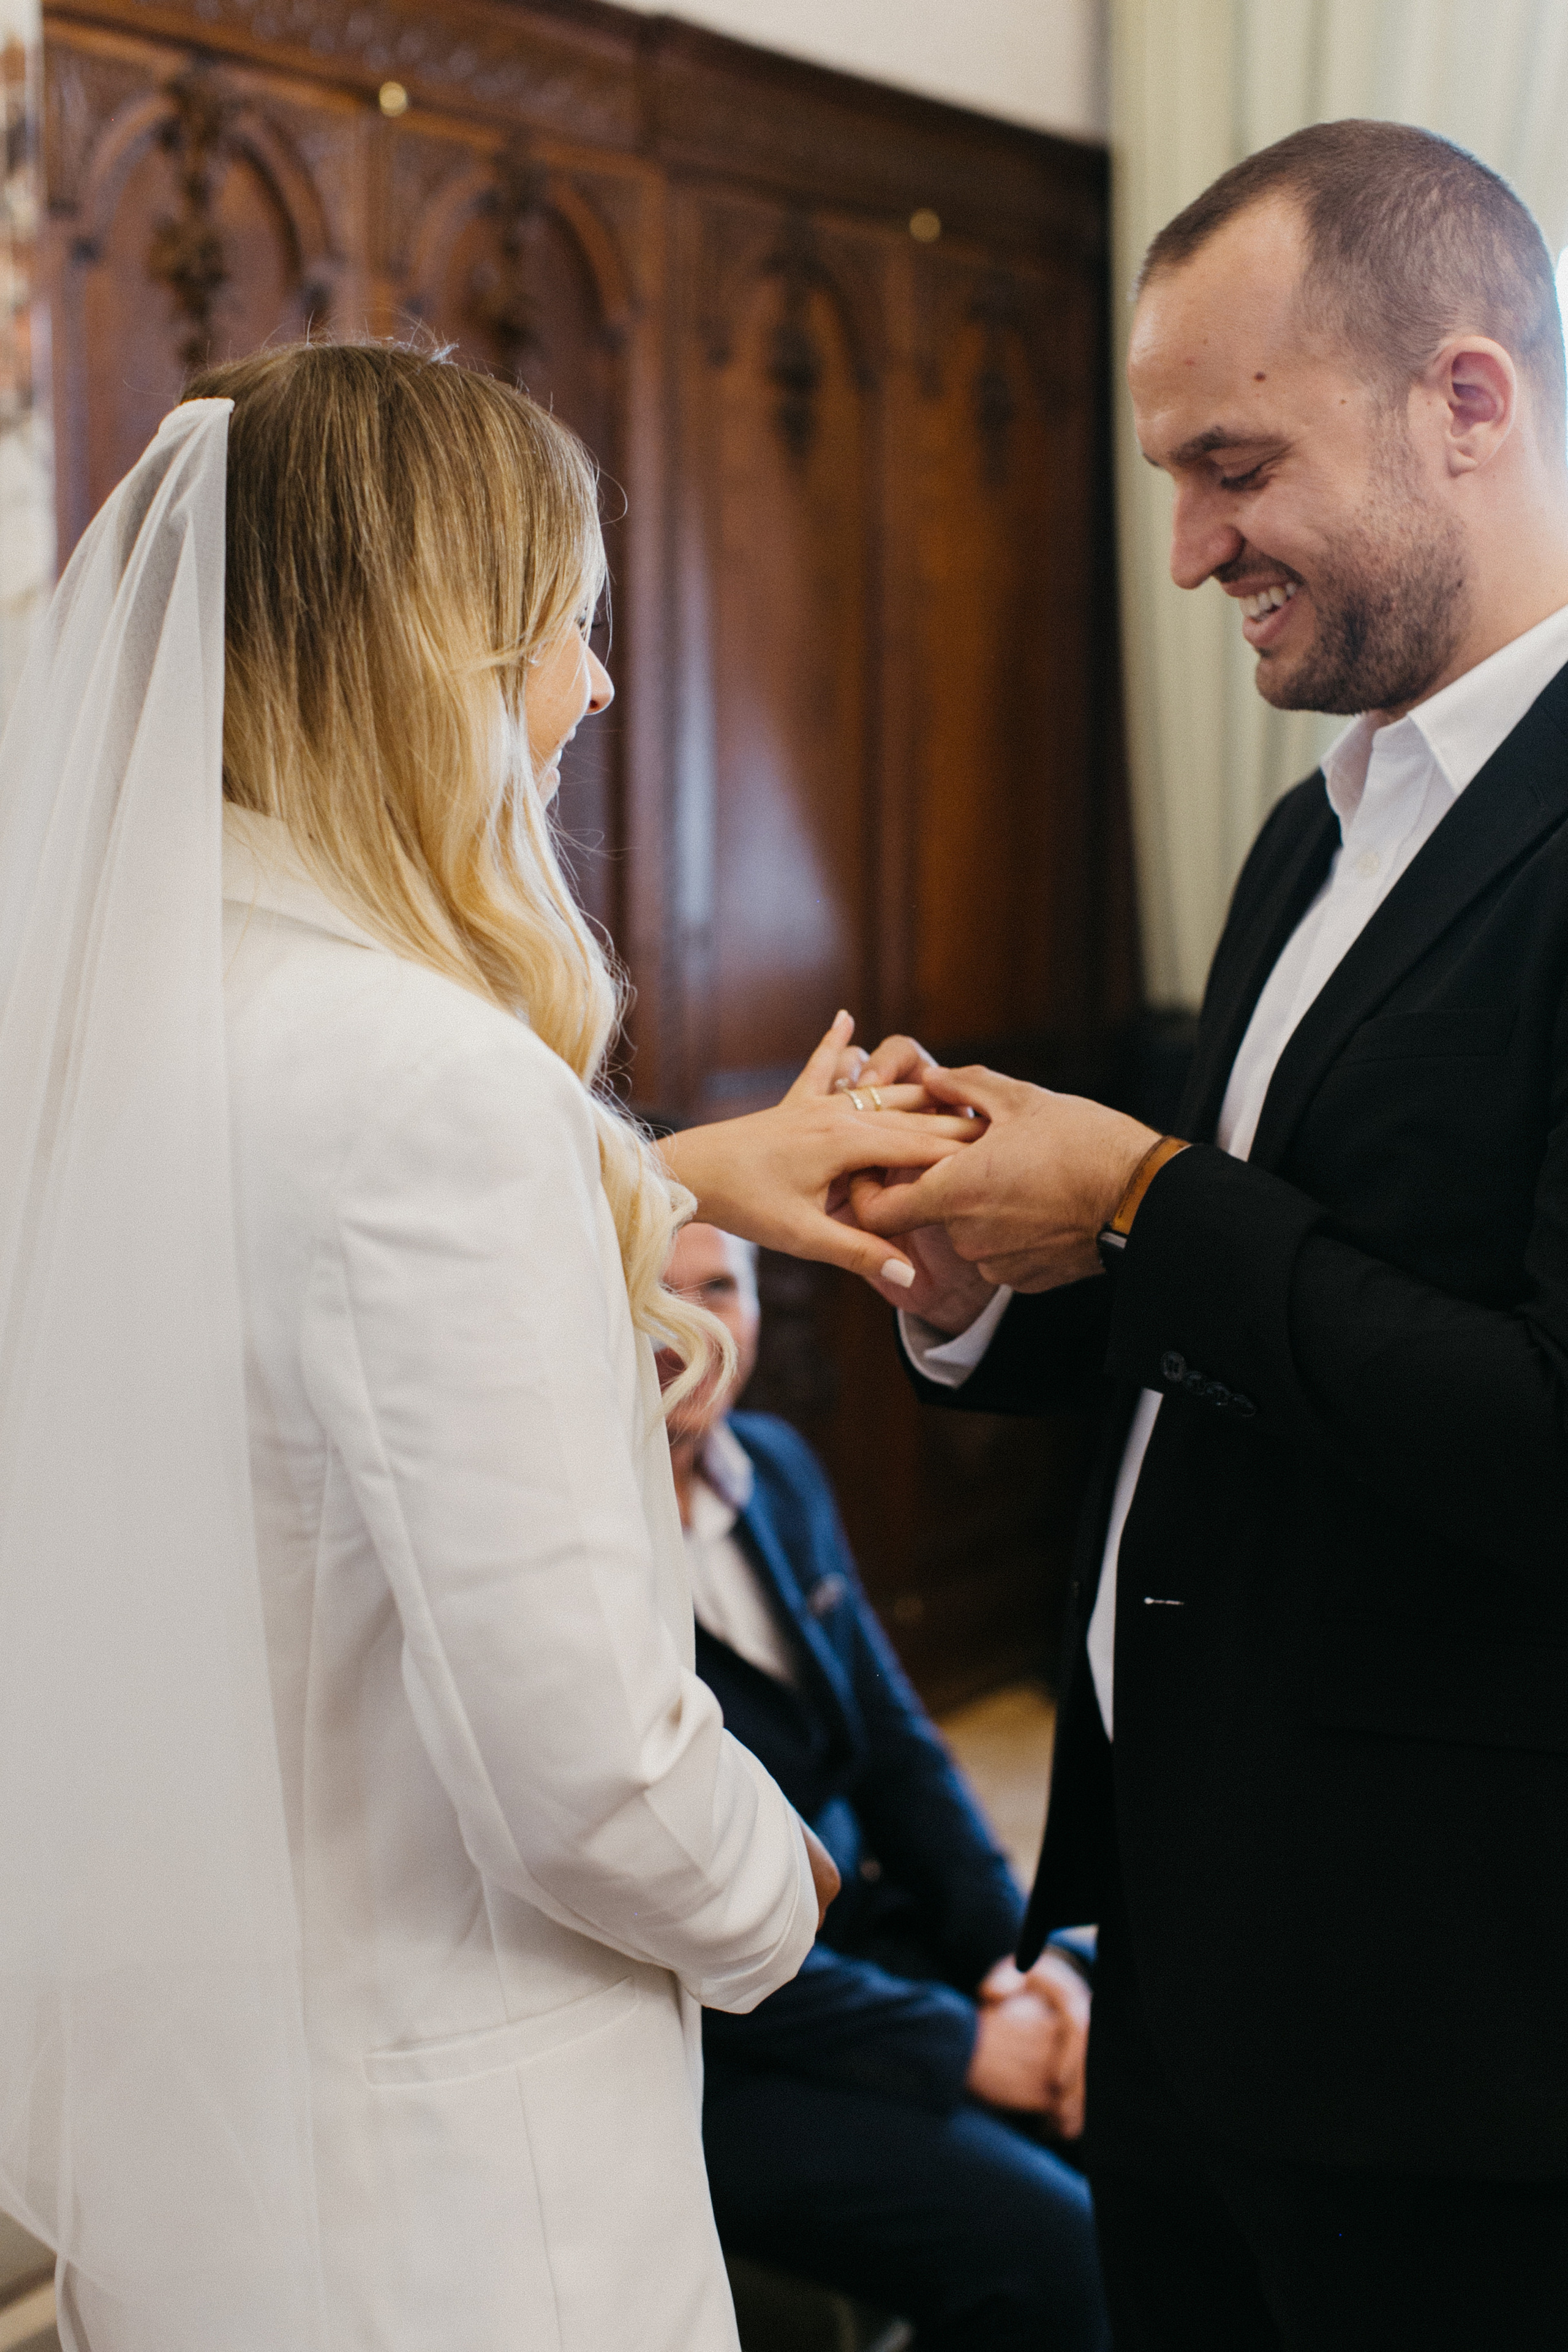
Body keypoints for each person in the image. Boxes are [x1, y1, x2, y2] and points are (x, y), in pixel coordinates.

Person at [0, 341, 975, 2350]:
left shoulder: (112, 1040)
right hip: (459, 2192)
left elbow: (286, 1322)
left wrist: (668, 1178)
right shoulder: (433, 1084)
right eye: (567, 631)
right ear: (429, 657)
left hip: (213, 2137)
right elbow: (591, 1776)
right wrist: (775, 1890)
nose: (594, 693)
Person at [841, 122, 1568, 2351]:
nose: (1188, 550)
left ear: (1470, 401)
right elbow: (1226, 1329)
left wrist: (1147, 1194)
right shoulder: (1308, 830)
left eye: (1233, 465)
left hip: (1455, 2033)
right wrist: (971, 1285)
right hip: (1175, 1951)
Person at [658, 1221, 1110, 2352]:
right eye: (645, 1293)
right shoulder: (575, 1554)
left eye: (721, 1285)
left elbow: (900, 1752)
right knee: (1060, 2258)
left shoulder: (779, 1469)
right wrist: (953, 2046)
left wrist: (1020, 1971)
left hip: (868, 1947)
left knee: (1138, 2072)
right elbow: (667, 1921)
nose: (689, 1331)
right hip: (723, 2046)